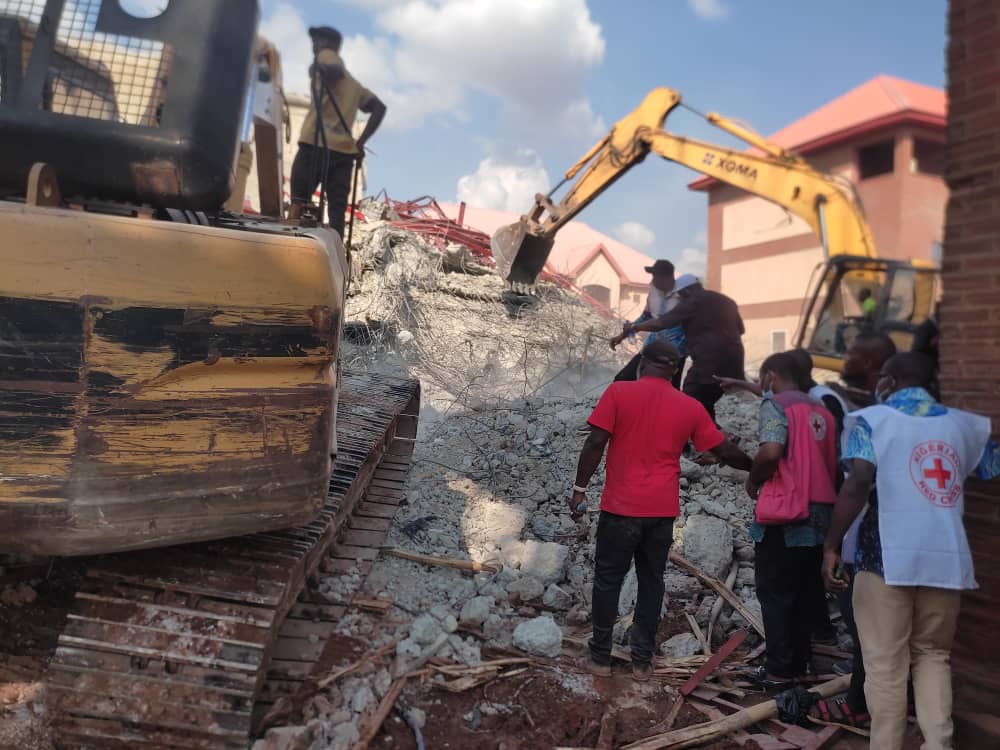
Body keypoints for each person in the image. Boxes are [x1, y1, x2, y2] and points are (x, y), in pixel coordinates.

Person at [823, 352, 1000, 750]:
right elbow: (990, 467)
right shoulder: (965, 426)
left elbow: (857, 481)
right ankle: (940, 744)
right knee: (933, 656)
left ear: (887, 380)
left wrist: (831, 545)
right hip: (947, 560)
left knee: (885, 667)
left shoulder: (871, 420)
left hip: (884, 558)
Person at [571, 340, 751, 680]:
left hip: (620, 508)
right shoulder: (690, 406)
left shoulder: (619, 393)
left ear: (642, 362)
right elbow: (723, 450)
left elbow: (595, 442)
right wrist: (755, 468)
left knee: (608, 581)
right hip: (661, 512)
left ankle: (600, 658)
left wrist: (579, 490)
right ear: (674, 370)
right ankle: (641, 662)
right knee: (651, 581)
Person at [745, 352, 838, 686]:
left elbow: (771, 450)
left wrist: (754, 479)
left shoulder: (777, 406)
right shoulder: (822, 411)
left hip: (787, 514)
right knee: (802, 591)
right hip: (822, 512)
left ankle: (780, 671)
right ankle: (798, 664)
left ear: (771, 376)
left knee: (775, 592)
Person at [288, 26, 386, 238]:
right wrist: (360, 143)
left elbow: (333, 68)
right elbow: (379, 108)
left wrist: (320, 68)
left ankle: (294, 248)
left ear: (327, 44)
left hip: (315, 146)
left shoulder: (326, 57)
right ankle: (336, 257)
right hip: (343, 153)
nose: (313, 46)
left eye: (316, 42)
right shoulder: (354, 86)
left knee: (299, 205)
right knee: (336, 214)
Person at [628, 281, 745, 424]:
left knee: (688, 401)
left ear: (687, 292)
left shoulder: (692, 302)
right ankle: (720, 438)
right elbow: (741, 330)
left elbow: (659, 324)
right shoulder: (726, 302)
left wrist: (635, 327)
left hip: (699, 361)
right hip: (733, 364)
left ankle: (683, 441)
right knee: (702, 402)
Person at [610, 262, 698, 388]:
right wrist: (623, 335)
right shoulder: (654, 295)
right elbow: (645, 317)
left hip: (674, 354)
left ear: (667, 278)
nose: (653, 280)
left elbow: (661, 324)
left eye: (656, 276)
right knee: (622, 381)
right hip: (651, 348)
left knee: (668, 392)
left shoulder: (684, 296)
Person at [835, 288, 878, 352]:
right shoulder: (870, 302)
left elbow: (866, 317)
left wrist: (850, 317)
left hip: (867, 326)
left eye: (860, 294)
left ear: (865, 295)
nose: (858, 296)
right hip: (868, 324)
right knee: (845, 326)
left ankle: (840, 349)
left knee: (840, 326)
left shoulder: (869, 302)